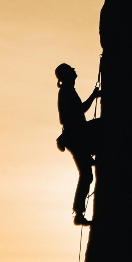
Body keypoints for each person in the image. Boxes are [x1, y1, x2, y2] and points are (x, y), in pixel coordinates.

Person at [55, 63, 101, 225]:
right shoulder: (66, 92)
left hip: (76, 136)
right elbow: (80, 110)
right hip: (77, 136)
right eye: (71, 70)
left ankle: (79, 213)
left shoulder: (67, 91)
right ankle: (79, 213)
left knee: (86, 174)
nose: (75, 71)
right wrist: (94, 96)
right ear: (67, 75)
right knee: (86, 174)